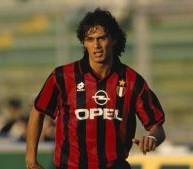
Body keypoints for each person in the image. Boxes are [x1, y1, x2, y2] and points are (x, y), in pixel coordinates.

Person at [25, 8, 166, 169]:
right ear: (83, 42)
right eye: (90, 39)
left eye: (102, 38)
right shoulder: (63, 76)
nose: (96, 45)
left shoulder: (131, 80)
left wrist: (152, 139)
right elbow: (38, 111)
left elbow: (157, 128)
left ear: (113, 39)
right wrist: (31, 160)